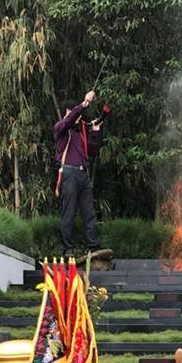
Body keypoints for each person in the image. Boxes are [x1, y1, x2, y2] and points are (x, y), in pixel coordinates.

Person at [53, 90, 110, 260]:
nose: (78, 117)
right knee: (69, 212)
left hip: (83, 174)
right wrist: (84, 103)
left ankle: (94, 247)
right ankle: (68, 249)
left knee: (89, 212)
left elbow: (92, 152)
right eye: (74, 112)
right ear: (67, 112)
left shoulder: (79, 134)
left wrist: (96, 131)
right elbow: (69, 120)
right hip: (69, 173)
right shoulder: (60, 128)